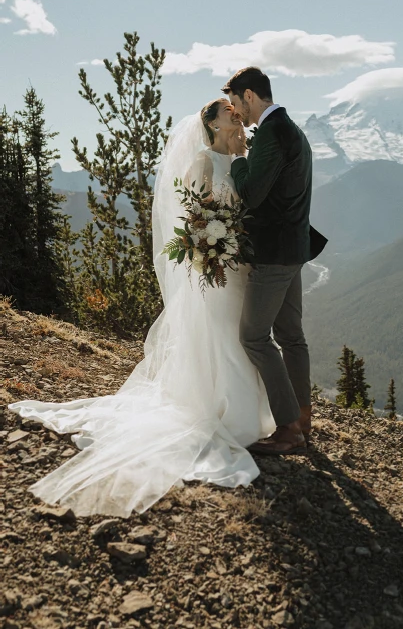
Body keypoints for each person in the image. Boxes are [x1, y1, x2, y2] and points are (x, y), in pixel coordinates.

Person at [9, 98, 275, 517]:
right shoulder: (204, 162)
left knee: (242, 333)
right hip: (215, 265)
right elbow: (190, 218)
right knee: (223, 334)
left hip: (237, 264)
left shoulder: (240, 157)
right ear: (210, 123)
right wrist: (211, 244)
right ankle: (229, 411)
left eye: (234, 109)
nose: (234, 113)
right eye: (227, 110)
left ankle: (254, 411)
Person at [224, 66, 327, 456]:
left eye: (237, 103)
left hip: (273, 255)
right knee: (291, 337)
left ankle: (288, 428)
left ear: (249, 96)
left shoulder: (270, 133)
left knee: (253, 336)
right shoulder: (292, 129)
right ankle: (302, 417)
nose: (238, 113)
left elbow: (250, 193)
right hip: (295, 249)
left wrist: (238, 158)